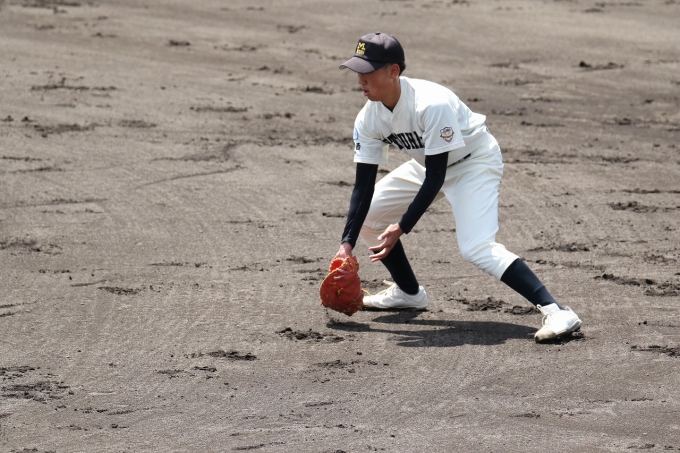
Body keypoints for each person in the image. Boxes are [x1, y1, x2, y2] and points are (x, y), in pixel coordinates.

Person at [334, 32, 582, 342]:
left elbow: (436, 176)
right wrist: (346, 243)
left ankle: (557, 311)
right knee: (369, 217)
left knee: (475, 247)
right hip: (428, 165)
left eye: (368, 71)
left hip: (473, 162)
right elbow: (363, 185)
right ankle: (409, 293)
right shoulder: (368, 117)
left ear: (393, 71)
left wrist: (402, 226)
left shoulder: (431, 103)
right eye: (357, 71)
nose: (361, 80)